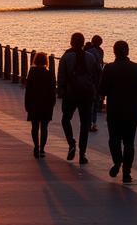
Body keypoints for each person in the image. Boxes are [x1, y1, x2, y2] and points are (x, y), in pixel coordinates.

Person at [99, 40, 137, 183]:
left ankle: (117, 161)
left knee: (114, 139)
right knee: (129, 142)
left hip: (114, 110)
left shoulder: (109, 68)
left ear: (114, 52)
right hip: (131, 111)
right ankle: (127, 172)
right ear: (128, 51)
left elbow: (102, 89)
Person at [56, 32, 100, 164]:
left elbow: (61, 76)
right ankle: (82, 154)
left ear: (71, 42)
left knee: (65, 119)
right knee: (85, 123)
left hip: (71, 93)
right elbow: (97, 74)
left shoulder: (66, 57)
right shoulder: (90, 57)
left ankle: (71, 143)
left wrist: (61, 92)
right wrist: (96, 92)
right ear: (83, 42)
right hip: (86, 94)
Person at [24, 52, 56, 158]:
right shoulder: (49, 73)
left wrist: (27, 104)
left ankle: (36, 147)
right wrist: (52, 103)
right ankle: (42, 149)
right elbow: (52, 91)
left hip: (33, 103)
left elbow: (28, 90)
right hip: (46, 104)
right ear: (46, 61)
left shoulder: (32, 72)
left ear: (35, 60)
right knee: (44, 127)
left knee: (35, 126)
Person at [85, 35, 105, 133]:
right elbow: (99, 65)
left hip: (93, 80)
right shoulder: (97, 51)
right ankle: (92, 123)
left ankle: (91, 123)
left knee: (92, 103)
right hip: (95, 80)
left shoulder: (91, 51)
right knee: (94, 103)